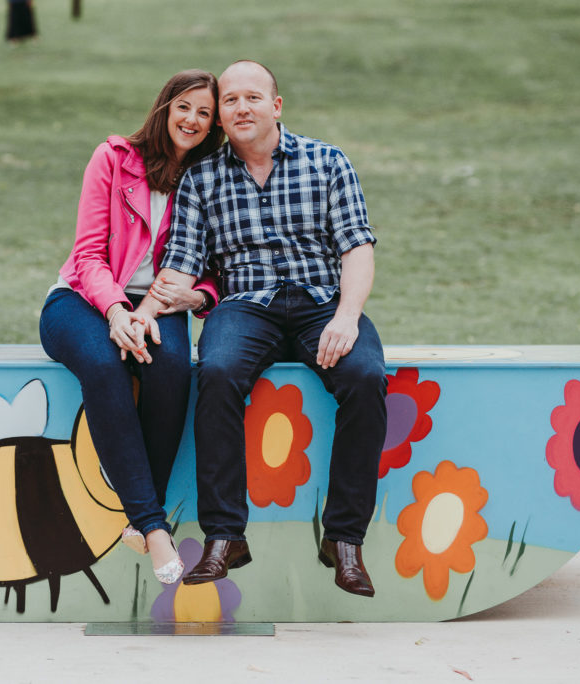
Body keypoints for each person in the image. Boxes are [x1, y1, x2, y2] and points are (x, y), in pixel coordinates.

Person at [134, 60, 387, 598]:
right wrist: (147, 310)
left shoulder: (326, 162)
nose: (241, 107)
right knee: (218, 371)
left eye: (253, 97)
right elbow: (180, 262)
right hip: (245, 305)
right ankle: (226, 536)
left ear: (276, 105)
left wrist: (346, 316)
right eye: (229, 101)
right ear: (221, 117)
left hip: (322, 299)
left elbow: (357, 248)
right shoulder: (203, 178)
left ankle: (344, 540)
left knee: (366, 377)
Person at [38, 70, 223, 585]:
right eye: (184, 106)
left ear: (212, 127)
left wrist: (198, 296)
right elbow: (88, 255)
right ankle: (152, 524)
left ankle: (144, 519)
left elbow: (218, 270)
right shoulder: (114, 159)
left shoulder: (209, 178)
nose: (192, 119)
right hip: (82, 298)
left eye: (204, 114)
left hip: (162, 304)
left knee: (171, 369)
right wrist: (118, 312)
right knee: (104, 363)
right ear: (164, 107)